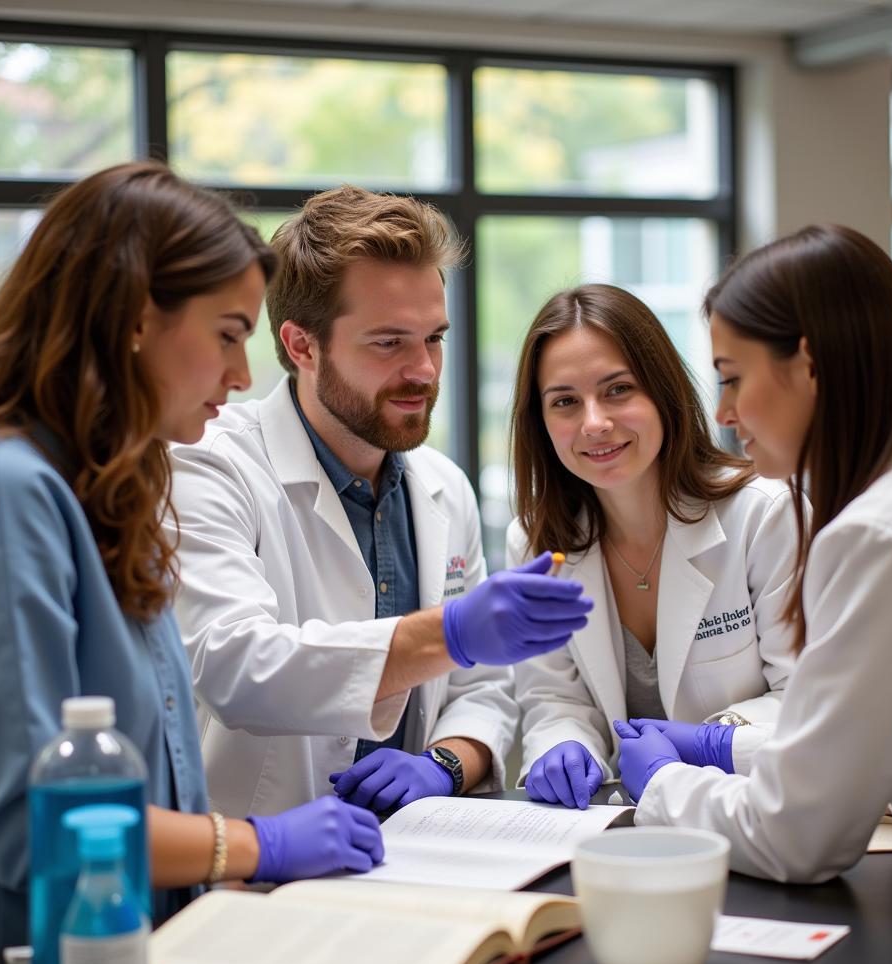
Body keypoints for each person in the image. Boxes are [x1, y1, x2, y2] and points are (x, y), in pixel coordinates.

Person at [0, 163, 385, 954]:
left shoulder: (112, 489)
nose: (241, 374)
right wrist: (254, 842)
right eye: (228, 334)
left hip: (143, 949)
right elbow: (32, 824)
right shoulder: (9, 491)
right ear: (133, 317)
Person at [618, 224, 892, 957]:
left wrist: (665, 783)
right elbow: (862, 746)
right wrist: (729, 753)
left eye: (732, 376)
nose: (724, 413)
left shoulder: (891, 531)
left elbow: (802, 835)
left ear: (810, 364)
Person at [168, 185, 591, 820]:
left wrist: (441, 763)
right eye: (389, 342)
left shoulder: (443, 487)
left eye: (435, 338)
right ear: (302, 345)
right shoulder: (209, 465)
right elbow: (236, 666)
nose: (424, 370)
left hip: (411, 855)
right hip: (255, 865)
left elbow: (484, 693)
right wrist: (448, 633)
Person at [507, 283, 804, 809]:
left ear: (662, 392)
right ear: (541, 421)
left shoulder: (763, 515)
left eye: (618, 389)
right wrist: (564, 745)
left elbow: (805, 700)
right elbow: (554, 697)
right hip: (624, 826)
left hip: (752, 809)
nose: (594, 423)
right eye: (565, 401)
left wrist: (711, 745)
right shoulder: (536, 545)